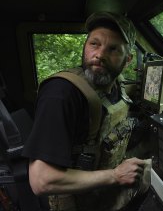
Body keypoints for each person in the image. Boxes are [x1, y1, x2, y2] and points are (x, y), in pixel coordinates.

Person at [22, 12, 151, 211]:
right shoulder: (62, 93)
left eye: (113, 49)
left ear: (127, 60)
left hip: (103, 190)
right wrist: (116, 175)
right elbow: (41, 180)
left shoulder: (116, 85)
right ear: (85, 46)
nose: (100, 55)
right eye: (94, 44)